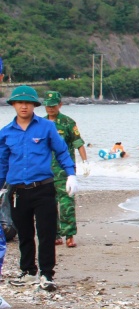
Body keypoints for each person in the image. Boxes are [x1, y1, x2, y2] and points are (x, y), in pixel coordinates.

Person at [0, 86, 77, 291]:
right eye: (19, 102)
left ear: (34, 105)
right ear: (14, 105)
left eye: (28, 103)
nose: (24, 106)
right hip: (17, 191)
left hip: (43, 188)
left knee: (46, 232)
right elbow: (2, 162)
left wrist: (71, 174)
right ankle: (28, 271)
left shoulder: (46, 128)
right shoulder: (6, 133)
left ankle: (47, 274)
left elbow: (61, 152)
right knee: (24, 233)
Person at [43, 91, 89, 248]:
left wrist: (85, 162)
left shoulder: (68, 122)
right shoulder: (40, 124)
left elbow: (78, 143)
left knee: (66, 202)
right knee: (48, 204)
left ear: (60, 105)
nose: (50, 108)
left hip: (65, 171)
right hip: (45, 171)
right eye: (48, 106)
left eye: (53, 105)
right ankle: (54, 234)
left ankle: (69, 235)